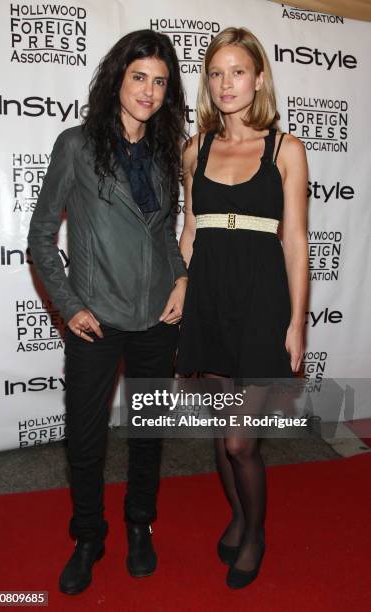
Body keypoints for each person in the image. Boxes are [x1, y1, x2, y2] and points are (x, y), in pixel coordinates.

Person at [28, 29, 188, 594]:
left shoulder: (168, 152)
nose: (148, 91)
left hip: (155, 322)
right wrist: (70, 306)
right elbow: (42, 236)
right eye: (139, 77)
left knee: (148, 432)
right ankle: (88, 537)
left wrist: (183, 279)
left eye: (160, 82)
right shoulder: (77, 144)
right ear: (117, 78)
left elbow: (165, 236)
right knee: (88, 437)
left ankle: (140, 525)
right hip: (95, 320)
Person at [177, 27, 308, 589]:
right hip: (207, 298)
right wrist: (180, 296)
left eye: (237, 71)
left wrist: (298, 321)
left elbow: (297, 239)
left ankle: (255, 533)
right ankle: (235, 516)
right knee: (217, 431)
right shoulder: (195, 149)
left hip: (260, 302)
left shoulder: (286, 149)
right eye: (215, 73)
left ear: (258, 79)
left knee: (240, 439)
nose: (226, 83)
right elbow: (189, 232)